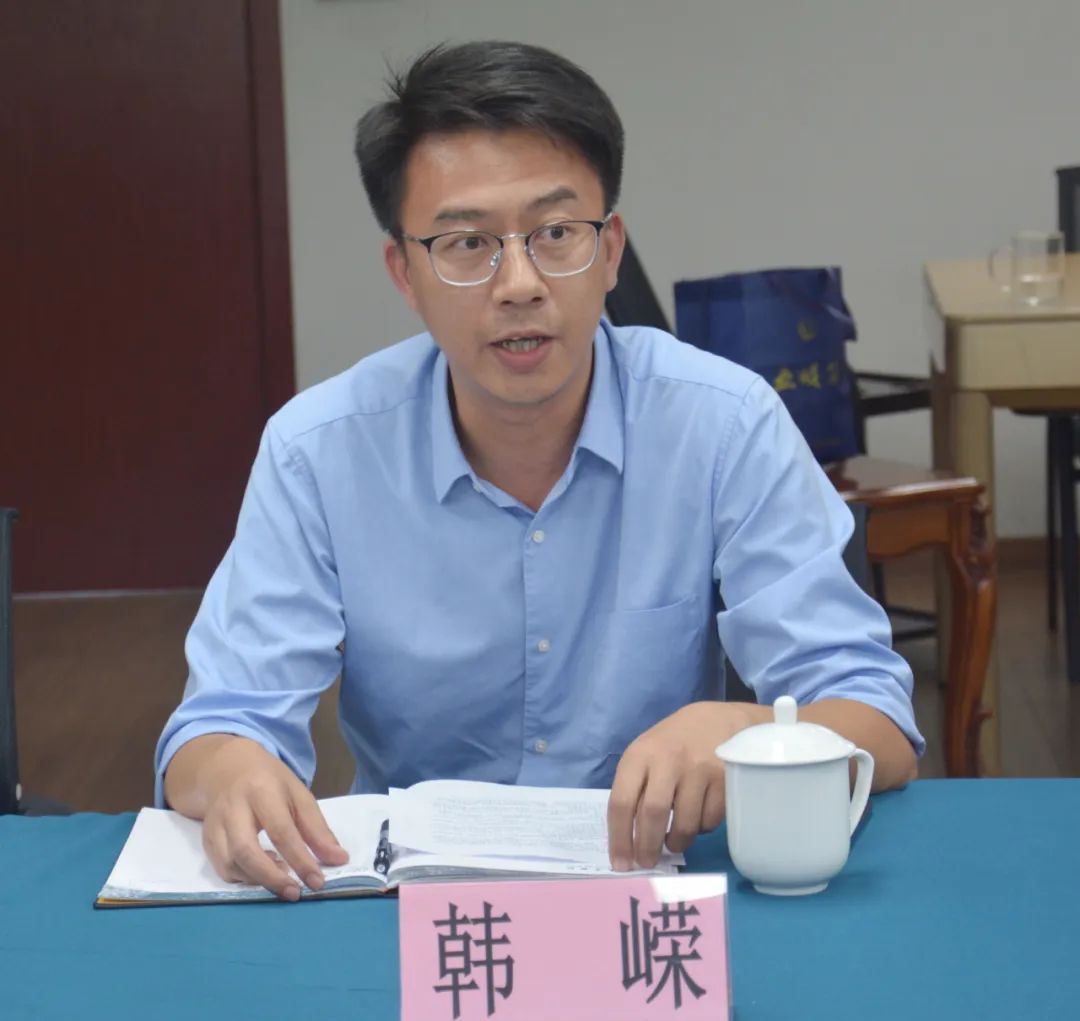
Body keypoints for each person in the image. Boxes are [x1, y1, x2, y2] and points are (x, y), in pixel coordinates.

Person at [157, 40, 922, 902]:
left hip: (658, 893)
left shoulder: (723, 423)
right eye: (466, 242)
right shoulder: (319, 451)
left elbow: (873, 716)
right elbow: (215, 726)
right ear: (405, 272)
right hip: (416, 910)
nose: (518, 283)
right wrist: (231, 769)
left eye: (556, 234)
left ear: (610, 250)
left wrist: (747, 730)